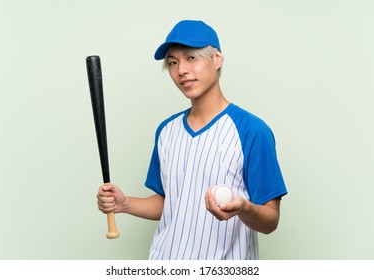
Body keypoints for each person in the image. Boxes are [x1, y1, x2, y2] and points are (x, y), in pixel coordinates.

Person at [97, 19, 287, 260]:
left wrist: (244, 209)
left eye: (191, 58)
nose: (181, 70)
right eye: (173, 62)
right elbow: (172, 204)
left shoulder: (252, 130)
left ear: (217, 59)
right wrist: (124, 204)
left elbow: (270, 221)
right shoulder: (166, 130)